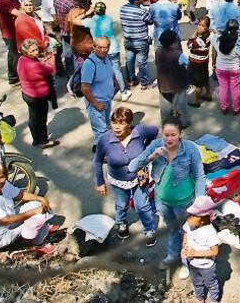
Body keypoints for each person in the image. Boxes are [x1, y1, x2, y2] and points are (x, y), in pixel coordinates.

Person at [128, 116, 206, 272]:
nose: (169, 139)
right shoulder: (156, 146)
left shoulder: (190, 149)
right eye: (166, 135)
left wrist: (199, 200)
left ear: (180, 134)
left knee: (188, 230)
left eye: (173, 135)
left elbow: (199, 176)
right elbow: (132, 167)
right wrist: (152, 157)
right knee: (172, 229)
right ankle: (172, 256)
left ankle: (186, 262)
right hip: (162, 201)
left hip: (184, 201)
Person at [93, 107, 159, 245]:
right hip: (118, 179)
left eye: (122, 123)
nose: (117, 127)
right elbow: (97, 161)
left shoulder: (139, 131)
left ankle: (149, 230)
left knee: (143, 205)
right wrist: (100, 182)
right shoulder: (105, 140)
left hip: (140, 174)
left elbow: (155, 131)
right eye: (114, 123)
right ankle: (121, 223)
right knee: (122, 204)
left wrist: (147, 148)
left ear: (129, 124)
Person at [0, 163, 58, 255]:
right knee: (38, 217)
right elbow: (6, 221)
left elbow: (20, 195)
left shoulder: (4, 185)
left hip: (5, 224)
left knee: (39, 205)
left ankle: (38, 230)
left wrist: (40, 198)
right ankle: (38, 244)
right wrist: (33, 212)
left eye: (2, 177)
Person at [17, 38, 59, 149]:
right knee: (41, 119)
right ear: (26, 52)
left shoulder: (21, 60)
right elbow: (50, 69)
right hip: (38, 96)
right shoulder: (35, 65)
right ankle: (43, 141)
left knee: (33, 117)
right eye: (32, 51)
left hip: (26, 93)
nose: (36, 52)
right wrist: (48, 60)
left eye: (36, 49)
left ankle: (35, 139)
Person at [85, 1, 130, 101]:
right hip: (112, 48)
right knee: (117, 71)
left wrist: (87, 13)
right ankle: (124, 92)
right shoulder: (109, 19)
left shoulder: (90, 21)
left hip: (99, 51)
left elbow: (75, 21)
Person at [182, 195, 222, 303]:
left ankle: (213, 300)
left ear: (203, 220)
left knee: (211, 284)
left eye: (193, 215)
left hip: (206, 266)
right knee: (197, 283)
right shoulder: (188, 224)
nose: (188, 217)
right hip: (193, 264)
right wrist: (185, 245)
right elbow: (186, 233)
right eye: (190, 214)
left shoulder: (209, 232)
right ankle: (199, 298)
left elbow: (215, 251)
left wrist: (194, 253)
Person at [80, 36, 116, 146]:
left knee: (103, 126)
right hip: (96, 102)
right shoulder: (90, 64)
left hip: (107, 100)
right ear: (94, 47)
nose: (102, 50)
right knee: (101, 131)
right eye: (99, 47)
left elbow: (111, 73)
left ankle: (97, 146)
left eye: (105, 47)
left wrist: (115, 85)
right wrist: (96, 104)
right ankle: (104, 154)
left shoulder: (108, 58)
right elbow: (84, 88)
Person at [156, 30, 191, 129]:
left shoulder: (158, 52)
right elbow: (187, 64)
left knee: (165, 106)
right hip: (177, 84)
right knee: (180, 105)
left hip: (163, 84)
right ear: (172, 42)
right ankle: (183, 122)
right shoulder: (177, 54)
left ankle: (166, 122)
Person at [120, 0, 153, 89]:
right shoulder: (142, 11)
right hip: (140, 41)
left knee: (129, 61)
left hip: (128, 40)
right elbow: (150, 21)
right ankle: (145, 83)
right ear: (136, 1)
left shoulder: (123, 9)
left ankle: (131, 80)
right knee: (142, 62)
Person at [0, 0, 22, 85]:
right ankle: (13, 77)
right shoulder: (1, 2)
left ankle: (17, 75)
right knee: (14, 56)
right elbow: (19, 13)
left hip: (18, 31)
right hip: (9, 34)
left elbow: (21, 7)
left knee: (16, 55)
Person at [213, 19, 240, 115]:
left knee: (223, 87)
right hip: (235, 69)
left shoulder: (217, 39)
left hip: (221, 68)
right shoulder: (239, 43)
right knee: (235, 88)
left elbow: (213, 37)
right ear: (237, 29)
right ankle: (236, 108)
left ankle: (224, 107)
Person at [187, 16, 212, 106]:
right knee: (205, 77)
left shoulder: (200, 39)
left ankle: (196, 101)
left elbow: (189, 44)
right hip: (204, 60)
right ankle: (208, 94)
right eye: (199, 25)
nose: (199, 27)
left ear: (207, 27)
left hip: (197, 63)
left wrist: (194, 35)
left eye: (203, 26)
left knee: (198, 83)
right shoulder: (209, 34)